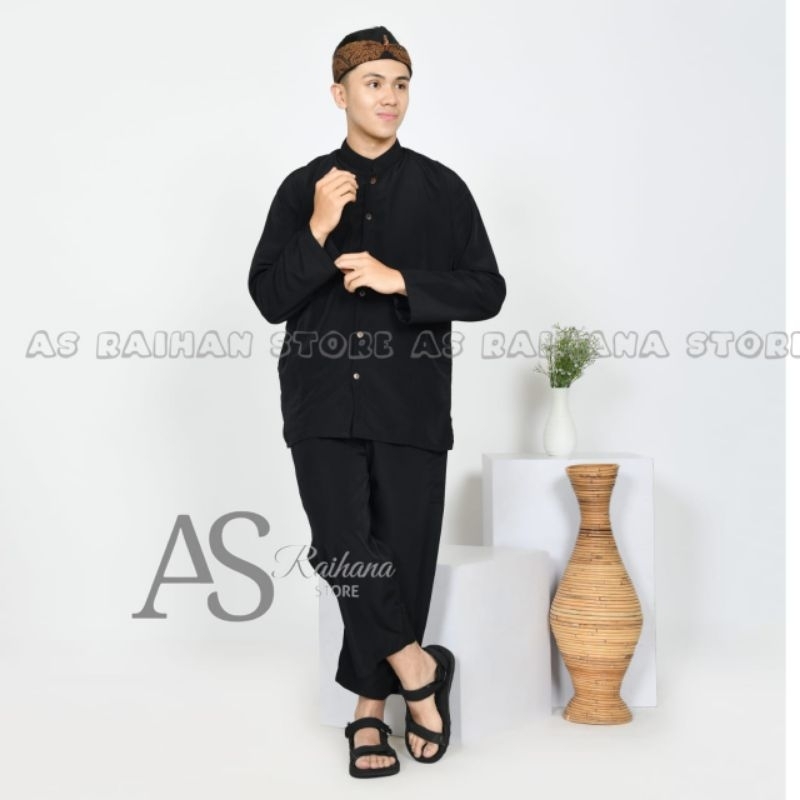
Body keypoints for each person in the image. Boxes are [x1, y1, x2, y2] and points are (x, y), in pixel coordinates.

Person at [248, 25, 506, 778]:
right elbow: (268, 297)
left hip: (410, 404)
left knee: (401, 555)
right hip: (321, 400)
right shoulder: (303, 188)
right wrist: (318, 230)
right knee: (342, 549)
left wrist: (403, 282)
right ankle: (420, 673)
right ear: (340, 94)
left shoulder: (442, 189)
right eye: (372, 84)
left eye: (399, 84)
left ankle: (368, 710)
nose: (389, 97)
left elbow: (487, 291)